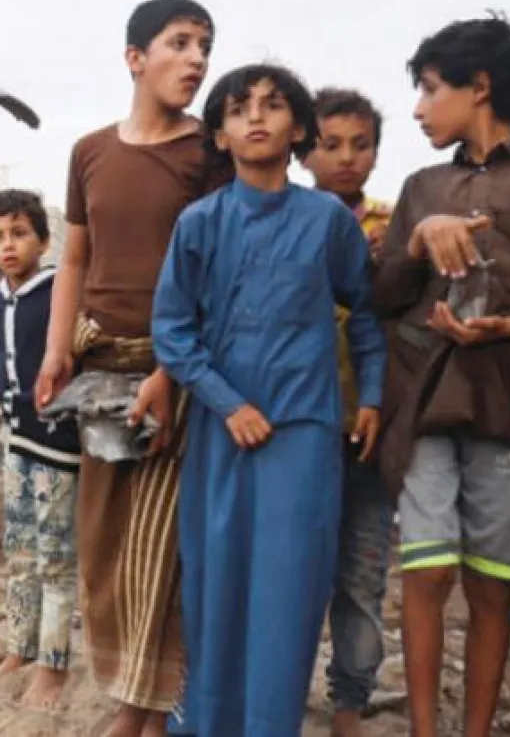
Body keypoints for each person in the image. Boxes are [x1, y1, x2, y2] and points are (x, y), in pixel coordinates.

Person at [152, 63, 385, 737]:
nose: (256, 116)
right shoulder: (199, 223)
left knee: (288, 595)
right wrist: (228, 403)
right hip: (223, 434)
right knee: (216, 588)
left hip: (306, 436)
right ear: (220, 134)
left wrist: (369, 396)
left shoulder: (328, 224)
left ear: (299, 129)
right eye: (237, 107)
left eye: (273, 104)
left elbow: (364, 314)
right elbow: (172, 329)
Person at [34, 0, 227, 737]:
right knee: (103, 541)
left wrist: (174, 375)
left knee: (158, 545)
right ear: (135, 58)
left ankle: (138, 712)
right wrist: (56, 350)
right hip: (97, 371)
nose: (198, 59)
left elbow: (213, 273)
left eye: (205, 44)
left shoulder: (207, 153)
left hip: (170, 371)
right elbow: (76, 255)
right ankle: (131, 694)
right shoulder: (89, 150)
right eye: (180, 42)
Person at [372, 14, 510, 737]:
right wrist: (418, 241)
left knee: (494, 583)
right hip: (424, 399)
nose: (418, 109)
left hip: (509, 404)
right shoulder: (421, 186)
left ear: (479, 87)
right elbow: (384, 295)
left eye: (428, 89)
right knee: (424, 573)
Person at [0, 189, 83, 711]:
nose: (8, 246)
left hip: (58, 448)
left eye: (19, 234)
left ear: (44, 239)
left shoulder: (60, 294)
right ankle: (19, 648)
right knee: (21, 551)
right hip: (16, 447)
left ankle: (53, 665)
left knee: (55, 557)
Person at [298, 87, 394, 737]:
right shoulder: (286, 218)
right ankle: (281, 687)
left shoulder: (393, 226)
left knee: (361, 580)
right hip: (298, 435)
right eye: (330, 144)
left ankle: (350, 707)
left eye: (361, 145)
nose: (346, 158)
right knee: (296, 572)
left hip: (368, 434)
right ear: (303, 149)